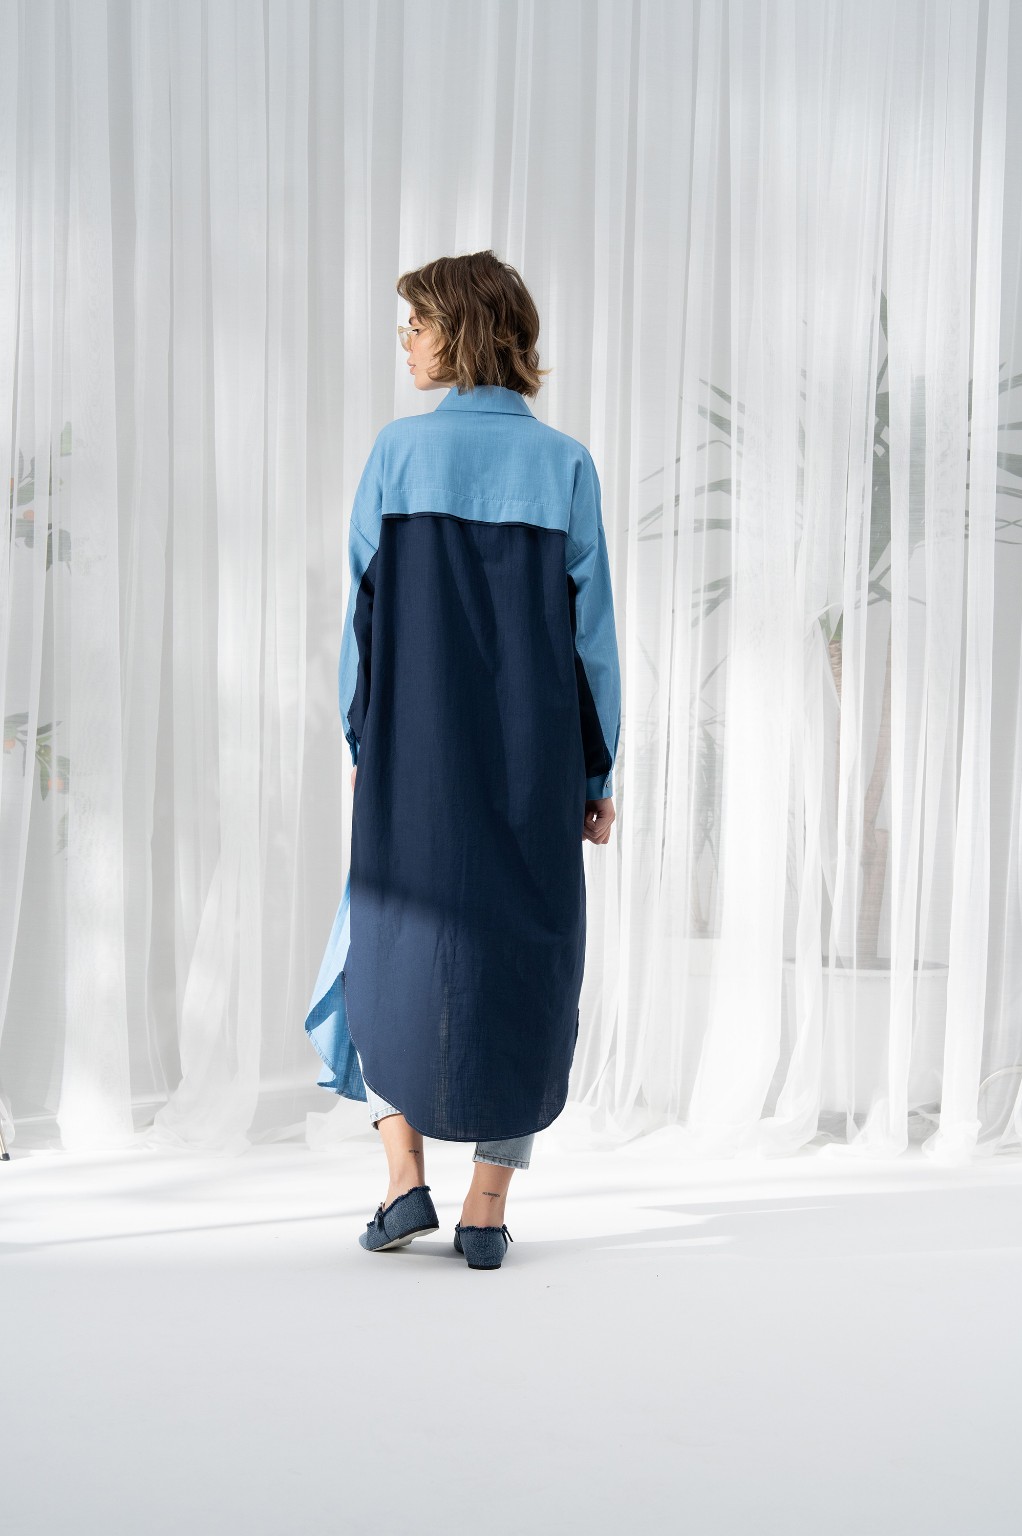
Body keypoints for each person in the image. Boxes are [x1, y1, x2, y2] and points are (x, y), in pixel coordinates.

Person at [304, 250, 621, 1268]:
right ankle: (485, 1210)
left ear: (465, 331)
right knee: (523, 960)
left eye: (417, 324)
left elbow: (360, 621)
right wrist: (596, 775)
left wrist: (364, 737)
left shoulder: (397, 455)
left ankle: (404, 1183)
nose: (404, 342)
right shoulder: (566, 464)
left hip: (415, 759)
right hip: (534, 766)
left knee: (381, 947)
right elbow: (592, 643)